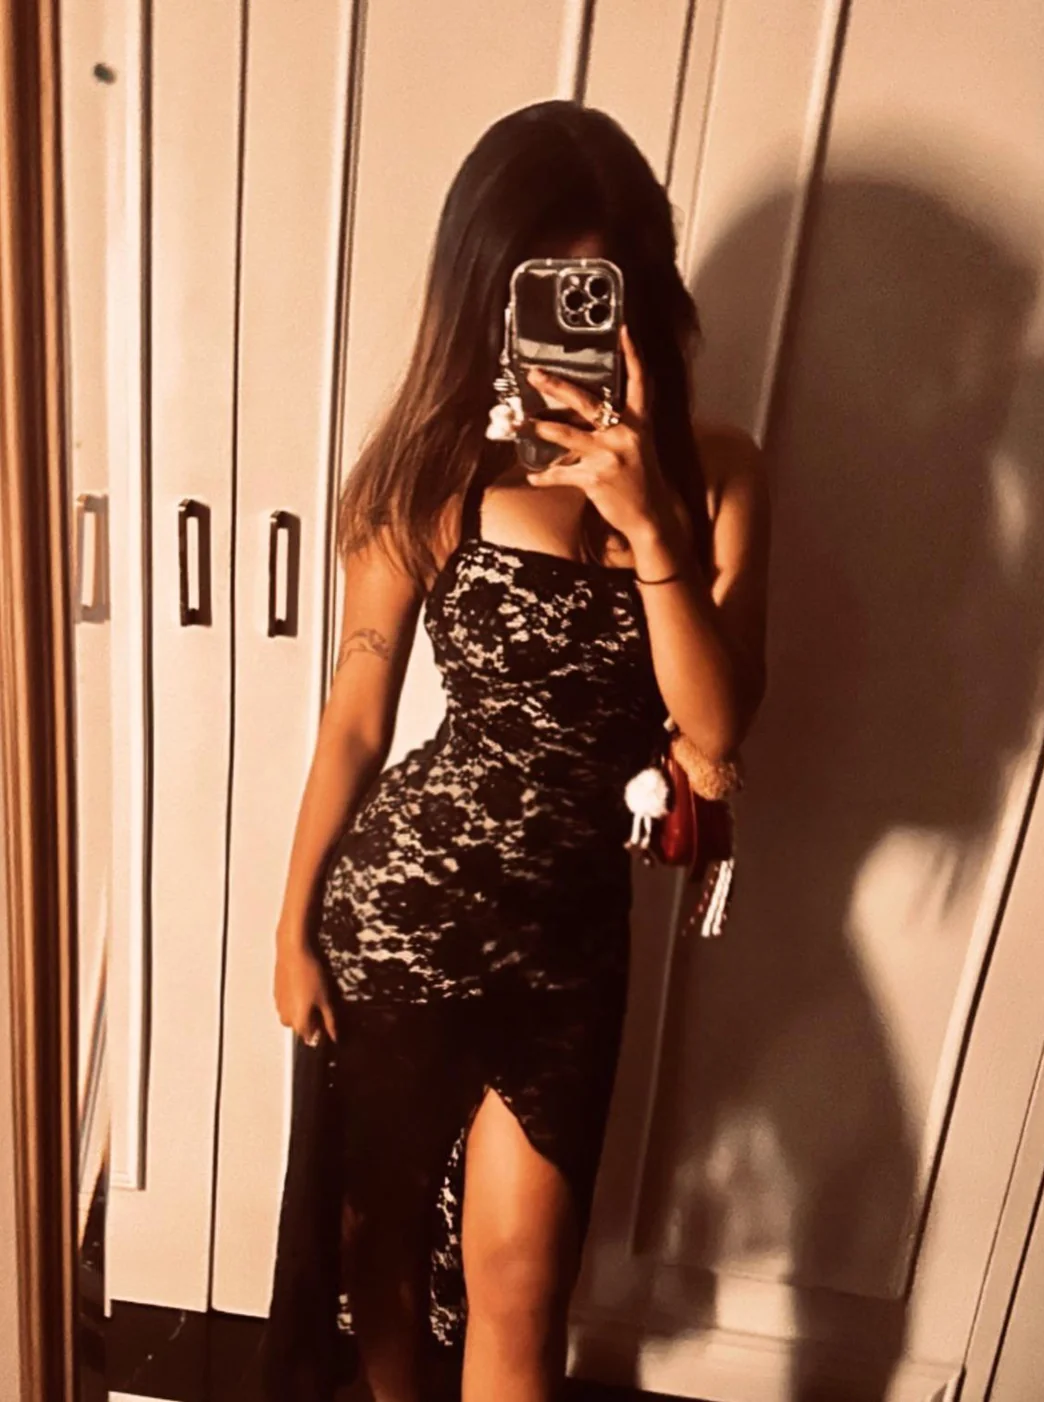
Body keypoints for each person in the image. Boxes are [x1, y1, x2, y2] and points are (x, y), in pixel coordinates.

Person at [261, 98, 770, 1402]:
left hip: (569, 948)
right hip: (401, 918)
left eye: (597, 288)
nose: (566, 327)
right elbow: (358, 715)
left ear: (642, 292)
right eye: (541, 291)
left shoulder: (716, 476)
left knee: (522, 1290)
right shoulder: (430, 474)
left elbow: (717, 731)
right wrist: (293, 926)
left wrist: (650, 527)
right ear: (487, 293)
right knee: (375, 1261)